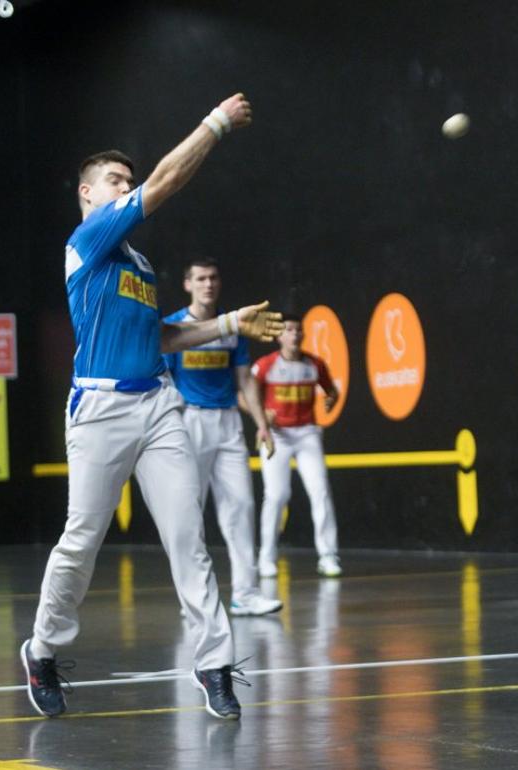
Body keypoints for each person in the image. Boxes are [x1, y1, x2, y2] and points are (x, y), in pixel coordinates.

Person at [21, 93, 282, 721]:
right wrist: (215, 125)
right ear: (88, 194)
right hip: (100, 411)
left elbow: (161, 338)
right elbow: (165, 182)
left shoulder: (136, 263)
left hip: (160, 405)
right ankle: (43, 650)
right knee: (81, 539)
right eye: (114, 181)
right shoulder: (88, 240)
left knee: (187, 536)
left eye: (126, 182)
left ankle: (214, 663)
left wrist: (225, 323)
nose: (125, 187)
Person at [163, 259, 282, 617]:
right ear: (188, 284)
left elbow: (245, 379)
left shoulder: (233, 327)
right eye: (200, 278)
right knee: (189, 512)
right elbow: (165, 379)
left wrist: (261, 423)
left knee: (242, 506)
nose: (208, 284)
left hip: (230, 424)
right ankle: (193, 597)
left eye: (213, 277)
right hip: (191, 423)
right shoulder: (174, 327)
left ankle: (245, 593)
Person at [251, 316, 343, 578]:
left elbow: (332, 391)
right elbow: (246, 394)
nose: (294, 335)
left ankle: (328, 556)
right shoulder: (265, 365)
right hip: (276, 436)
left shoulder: (314, 364)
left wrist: (330, 401)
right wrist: (261, 417)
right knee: (277, 495)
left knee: (320, 491)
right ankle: (266, 557)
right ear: (279, 336)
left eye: (298, 330)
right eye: (288, 330)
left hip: (307, 435)